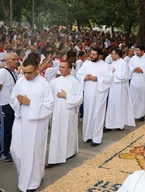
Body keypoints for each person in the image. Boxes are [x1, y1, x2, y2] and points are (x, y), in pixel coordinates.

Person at [10, 59, 54, 192]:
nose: (26, 76)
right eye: (24, 72)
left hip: (36, 124)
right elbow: (12, 98)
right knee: (16, 151)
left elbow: (49, 105)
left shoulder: (44, 84)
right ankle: (22, 178)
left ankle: (34, 181)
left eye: (29, 72)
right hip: (20, 121)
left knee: (34, 153)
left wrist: (30, 102)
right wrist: (18, 102)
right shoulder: (20, 81)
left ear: (36, 70)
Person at [47, 61, 83, 167]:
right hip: (58, 111)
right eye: (60, 67)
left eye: (63, 67)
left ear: (69, 69)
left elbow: (80, 98)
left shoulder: (75, 82)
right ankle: (56, 156)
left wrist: (66, 96)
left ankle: (69, 152)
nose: (61, 68)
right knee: (57, 134)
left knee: (68, 132)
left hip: (69, 111)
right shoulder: (54, 81)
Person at [76, 48, 114, 146]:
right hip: (89, 93)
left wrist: (97, 78)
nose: (91, 56)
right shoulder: (86, 64)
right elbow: (78, 74)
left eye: (94, 54)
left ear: (100, 56)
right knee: (88, 114)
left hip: (100, 94)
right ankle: (87, 136)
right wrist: (85, 77)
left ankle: (96, 138)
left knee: (98, 115)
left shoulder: (106, 66)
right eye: (91, 54)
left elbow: (110, 79)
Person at [105, 49, 135, 131]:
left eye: (112, 53)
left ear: (117, 54)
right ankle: (110, 124)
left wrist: (114, 72)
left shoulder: (123, 63)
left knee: (119, 105)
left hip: (120, 87)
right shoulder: (113, 63)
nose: (111, 55)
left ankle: (119, 124)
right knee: (111, 105)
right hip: (112, 87)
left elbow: (124, 76)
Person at [0, 53, 18, 162]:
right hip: (4, 105)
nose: (16, 61)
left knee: (10, 129)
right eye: (13, 59)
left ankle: (8, 149)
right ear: (6, 61)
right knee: (5, 130)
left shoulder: (14, 72)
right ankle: (3, 152)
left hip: (12, 105)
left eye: (16, 59)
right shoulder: (3, 73)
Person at [129, 45, 145, 121]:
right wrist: (133, 69)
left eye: (138, 50)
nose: (136, 52)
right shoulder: (133, 58)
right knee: (133, 98)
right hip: (134, 80)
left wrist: (142, 71)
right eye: (136, 50)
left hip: (143, 81)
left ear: (143, 51)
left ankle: (141, 115)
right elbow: (129, 67)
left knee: (142, 99)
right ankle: (132, 114)